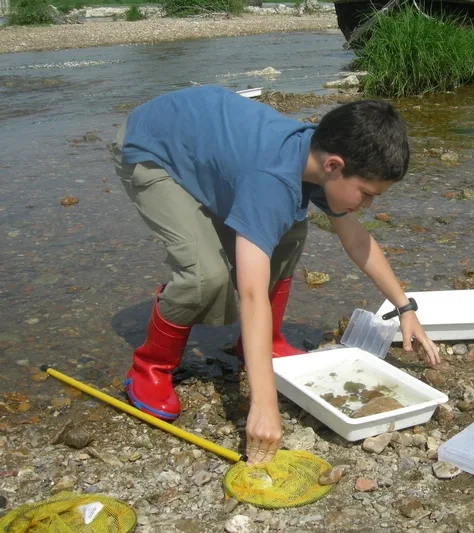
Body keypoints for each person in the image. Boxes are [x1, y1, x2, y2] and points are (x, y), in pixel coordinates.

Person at [110, 85, 440, 465]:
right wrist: (263, 405)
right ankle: (149, 367)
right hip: (153, 148)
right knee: (206, 276)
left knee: (289, 230)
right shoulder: (270, 179)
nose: (367, 205)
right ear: (333, 165)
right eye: (367, 194)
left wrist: (405, 308)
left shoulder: (319, 156)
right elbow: (250, 294)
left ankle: (263, 341)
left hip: (207, 142)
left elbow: (357, 241)